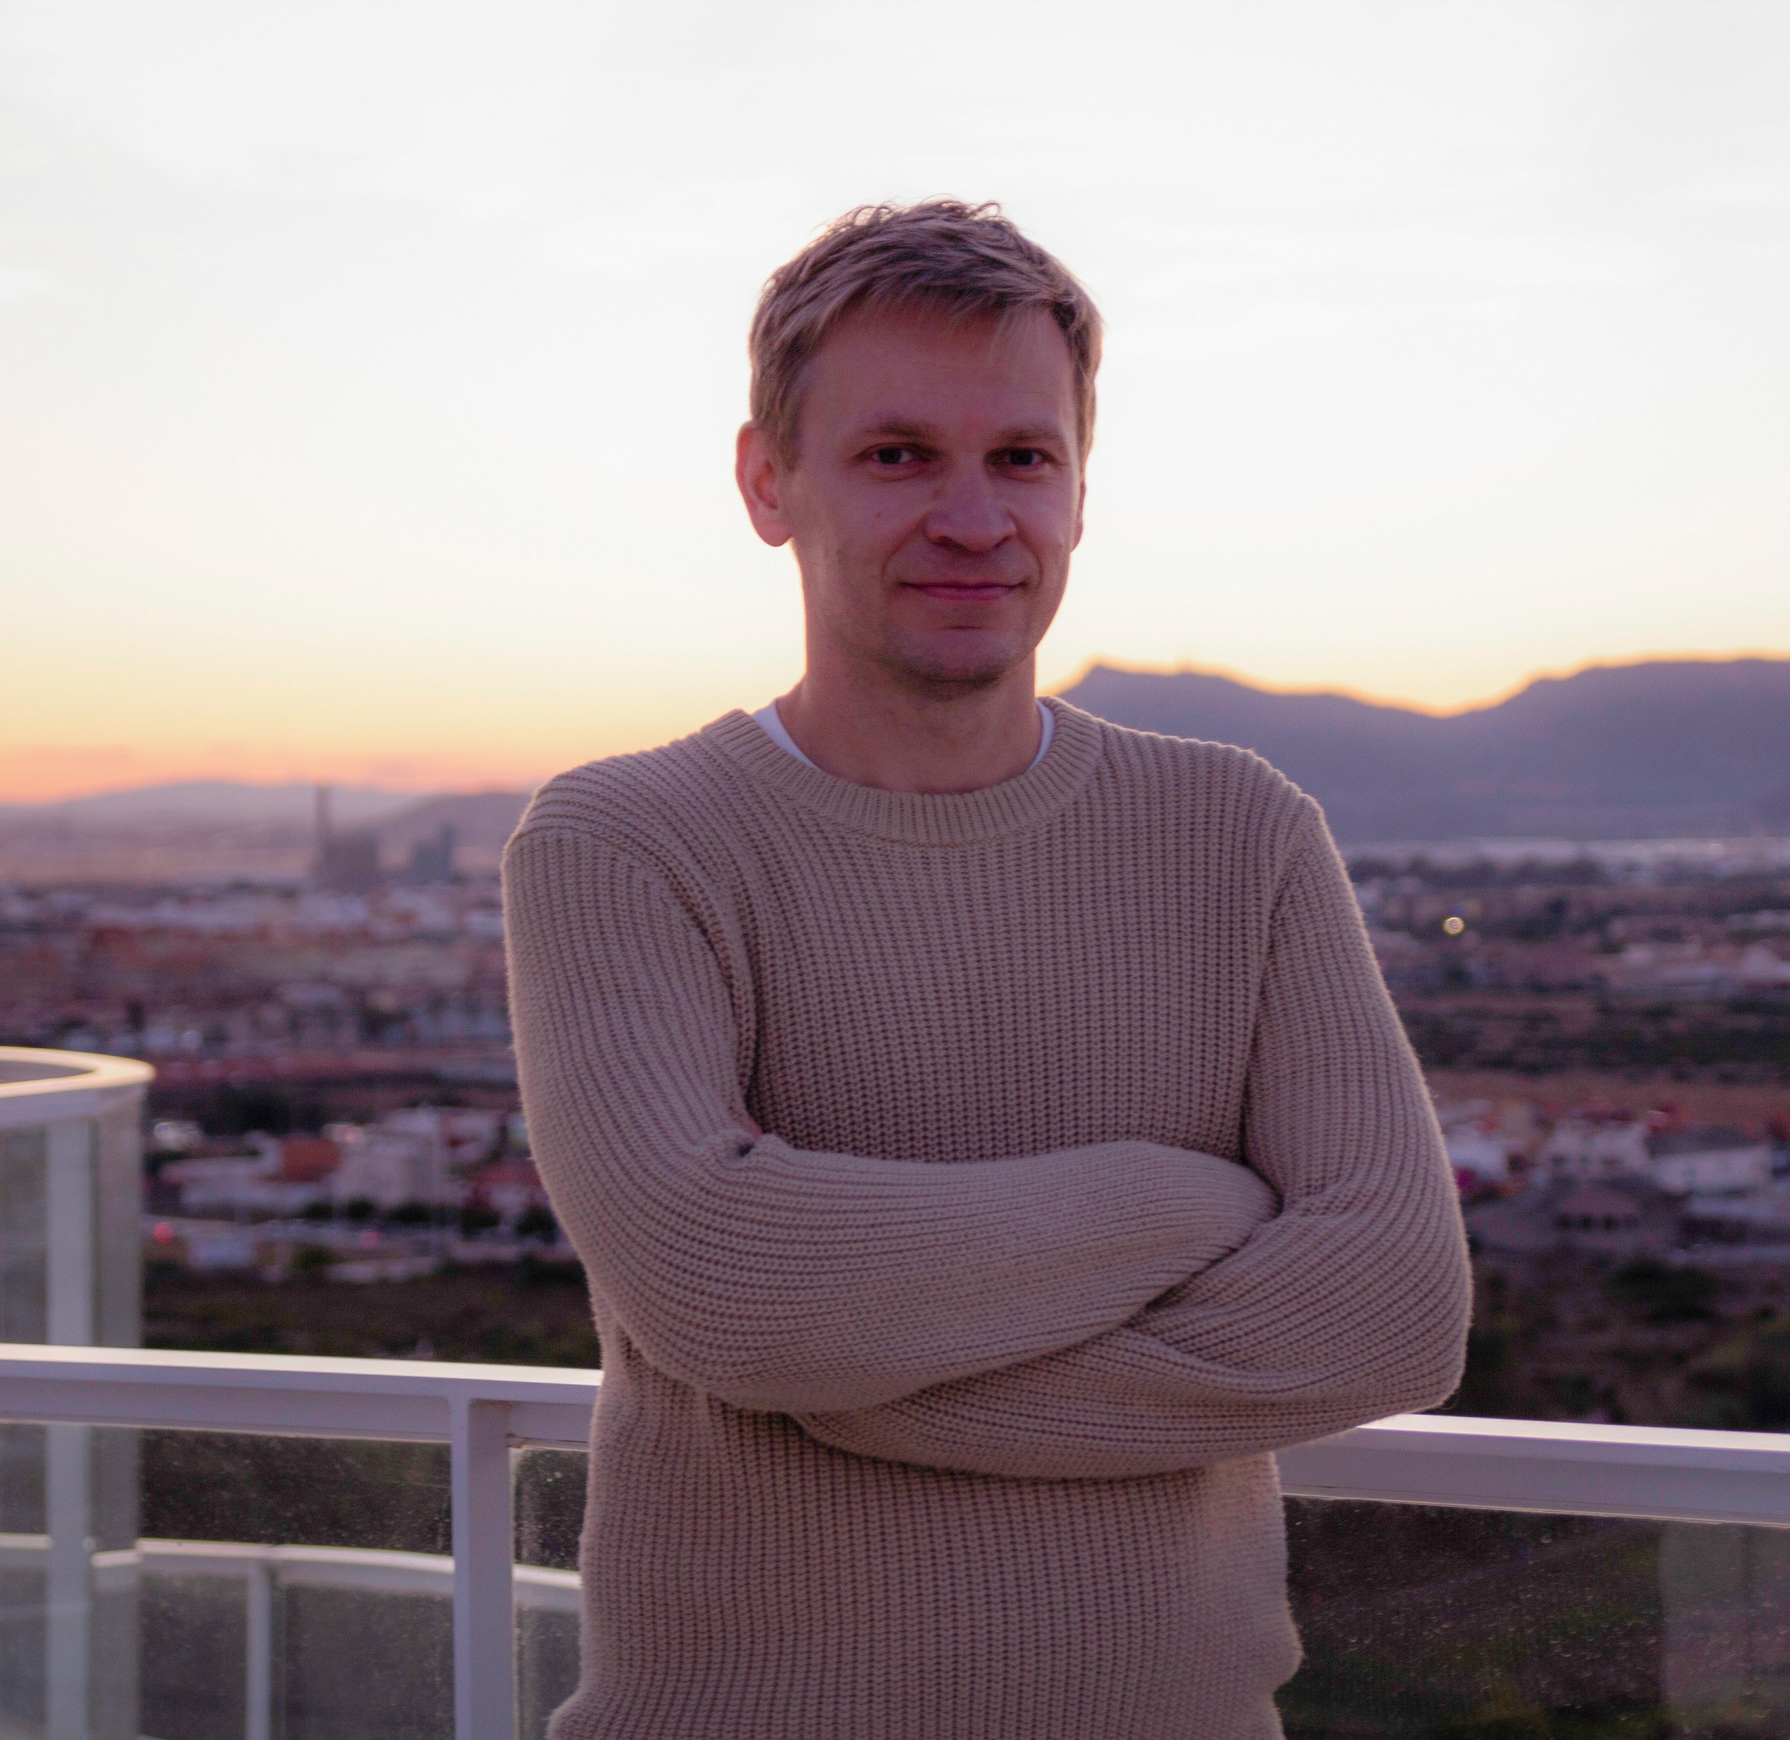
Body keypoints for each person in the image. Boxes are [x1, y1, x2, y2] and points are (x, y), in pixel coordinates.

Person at [505, 199, 1472, 1740]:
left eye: (1022, 457)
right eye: (898, 455)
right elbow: (722, 1285)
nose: (974, 516)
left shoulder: (1239, 832)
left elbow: (1394, 1311)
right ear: (769, 482)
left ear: (1080, 492)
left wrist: (859, 1367)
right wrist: (1192, 1202)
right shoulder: (627, 840)